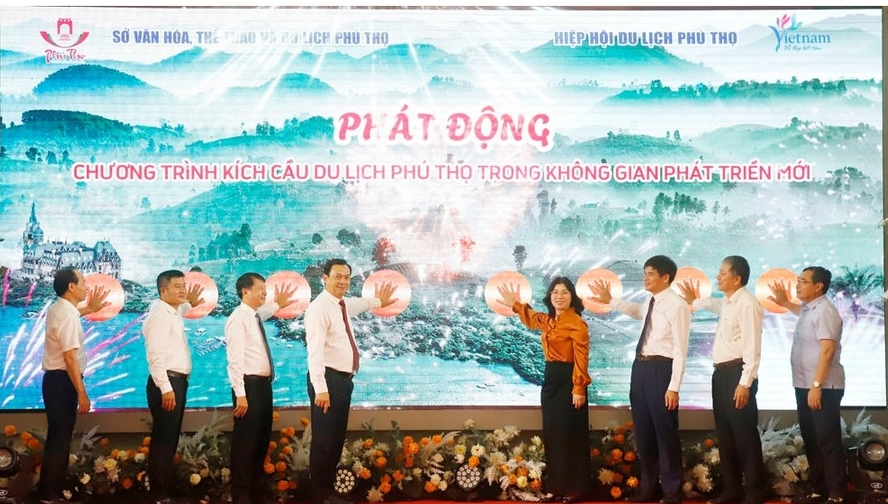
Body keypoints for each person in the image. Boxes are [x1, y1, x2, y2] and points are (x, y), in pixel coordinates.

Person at [589, 255, 690, 504]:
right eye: (645, 273)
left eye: (650, 273)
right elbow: (637, 312)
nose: (645, 278)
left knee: (664, 432)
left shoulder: (677, 305)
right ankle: (648, 489)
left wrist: (674, 387)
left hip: (662, 369)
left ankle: (672, 491)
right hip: (641, 368)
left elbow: (680, 349)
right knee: (644, 432)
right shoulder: (650, 300)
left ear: (666, 277)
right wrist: (610, 301)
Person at [304, 259, 397, 504]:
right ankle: (320, 496)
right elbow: (314, 352)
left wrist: (378, 301)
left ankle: (327, 492)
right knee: (324, 441)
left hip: (343, 381)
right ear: (325, 278)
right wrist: (321, 389)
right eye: (338, 277)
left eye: (346, 277)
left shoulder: (341, 305)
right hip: (327, 381)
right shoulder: (319, 308)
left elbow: (359, 303)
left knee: (335, 440)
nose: (343, 281)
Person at [678, 255, 766, 504]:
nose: (718, 276)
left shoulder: (748, 304)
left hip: (738, 374)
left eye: (722, 272)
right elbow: (714, 305)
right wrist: (695, 301)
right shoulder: (729, 302)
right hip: (721, 374)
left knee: (744, 435)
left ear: (737, 278)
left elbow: (753, 347)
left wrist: (745, 382)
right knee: (725, 434)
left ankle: (755, 492)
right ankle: (732, 489)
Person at [497, 276, 593, 502]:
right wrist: (515, 303)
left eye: (564, 292)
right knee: (553, 433)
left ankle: (575, 487)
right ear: (550, 296)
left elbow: (581, 358)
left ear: (572, 297)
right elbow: (531, 318)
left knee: (571, 434)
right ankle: (556, 486)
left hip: (570, 380)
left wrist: (578, 387)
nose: (559, 296)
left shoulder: (577, 323)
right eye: (555, 292)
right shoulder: (549, 320)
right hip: (551, 380)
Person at [769, 267, 846, 504]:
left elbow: (828, 350)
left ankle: (837, 494)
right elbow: (799, 311)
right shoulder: (809, 309)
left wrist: (816, 385)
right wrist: (785, 303)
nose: (797, 285)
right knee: (811, 438)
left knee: (827, 440)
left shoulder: (825, 311)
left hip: (823, 387)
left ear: (818, 286)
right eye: (797, 281)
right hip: (804, 384)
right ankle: (819, 489)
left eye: (803, 281)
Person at [38, 268, 109, 504]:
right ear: (71, 286)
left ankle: (50, 492)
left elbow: (72, 316)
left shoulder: (59, 309)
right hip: (63, 381)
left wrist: (90, 309)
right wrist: (82, 393)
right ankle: (50, 494)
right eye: (83, 282)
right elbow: (69, 358)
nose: (86, 286)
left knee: (58, 439)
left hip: (55, 381)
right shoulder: (67, 315)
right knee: (60, 440)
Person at [225, 273, 297, 504]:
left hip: (262, 387)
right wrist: (240, 394)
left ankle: (255, 491)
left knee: (260, 440)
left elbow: (264, 312)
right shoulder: (238, 318)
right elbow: (234, 361)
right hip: (249, 388)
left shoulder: (253, 316)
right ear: (245, 291)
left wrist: (278, 304)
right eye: (260, 288)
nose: (265, 292)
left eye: (265, 288)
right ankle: (241, 493)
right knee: (246, 442)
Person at [142, 269, 204, 504]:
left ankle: (165, 488)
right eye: (177, 286)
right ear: (163, 290)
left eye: (183, 286)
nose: (183, 290)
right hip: (166, 383)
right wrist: (166, 388)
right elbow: (155, 356)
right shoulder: (159, 316)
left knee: (169, 439)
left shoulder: (172, 311)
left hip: (175, 382)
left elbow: (183, 307)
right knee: (163, 439)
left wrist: (191, 303)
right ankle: (158, 494)